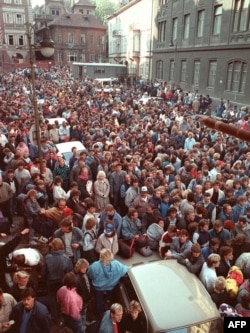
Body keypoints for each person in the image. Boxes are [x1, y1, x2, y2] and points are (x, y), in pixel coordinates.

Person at [87, 248, 128, 318]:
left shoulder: (95, 266)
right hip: (110, 288)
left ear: (101, 256)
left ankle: (101, 315)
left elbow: (89, 275)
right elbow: (126, 270)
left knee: (98, 302)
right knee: (108, 299)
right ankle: (107, 305)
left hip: (98, 289)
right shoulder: (116, 264)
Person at [42, 238, 73, 320]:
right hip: (62, 282)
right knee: (61, 298)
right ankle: (61, 314)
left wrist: (44, 280)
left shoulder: (48, 257)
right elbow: (69, 271)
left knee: (52, 297)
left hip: (50, 281)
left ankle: (54, 315)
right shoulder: (66, 258)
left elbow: (44, 271)